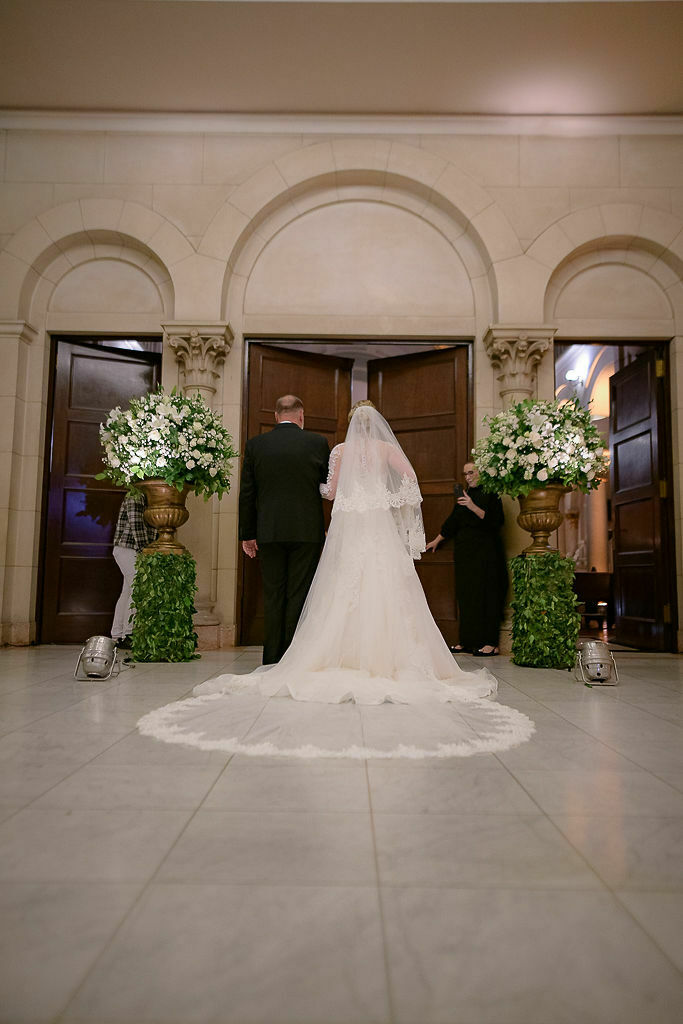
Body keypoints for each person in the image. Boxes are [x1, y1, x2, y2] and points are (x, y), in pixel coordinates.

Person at [138, 403, 534, 759]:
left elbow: (328, 490)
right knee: (388, 589)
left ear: (350, 425)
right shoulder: (386, 450)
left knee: (340, 590)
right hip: (377, 531)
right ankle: (390, 659)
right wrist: (388, 501)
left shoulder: (341, 451)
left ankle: (326, 655)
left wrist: (341, 492)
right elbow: (410, 482)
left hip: (349, 531)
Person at [239, 394, 330, 665]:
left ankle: (271, 659)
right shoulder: (317, 443)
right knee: (299, 593)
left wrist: (248, 534)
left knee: (274, 593)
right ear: (301, 416)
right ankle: (294, 659)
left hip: (269, 530)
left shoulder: (256, 445)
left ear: (276, 416)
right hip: (306, 531)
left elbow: (247, 493)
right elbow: (327, 487)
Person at [425, 462, 507, 657]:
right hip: (465, 553)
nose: (468, 477)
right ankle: (467, 641)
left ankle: (490, 643)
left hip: (487, 553)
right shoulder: (465, 495)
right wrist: (437, 540)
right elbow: (454, 521)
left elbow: (496, 522)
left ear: (481, 473)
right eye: (465, 474)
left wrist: (472, 506)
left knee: (487, 595)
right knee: (467, 595)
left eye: (471, 473)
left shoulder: (491, 494)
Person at [111, 490, 156, 646]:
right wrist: (145, 549)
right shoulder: (135, 495)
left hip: (130, 548)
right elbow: (136, 523)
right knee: (138, 588)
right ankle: (128, 633)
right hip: (129, 547)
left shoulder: (144, 495)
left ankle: (117, 634)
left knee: (128, 591)